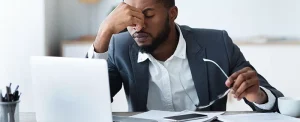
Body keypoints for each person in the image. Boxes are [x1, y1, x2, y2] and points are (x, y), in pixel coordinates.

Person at [86, 0, 283, 112]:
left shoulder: (217, 44)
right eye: (131, 16)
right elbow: (87, 103)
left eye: (148, 15)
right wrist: (104, 31)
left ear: (172, 13)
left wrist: (259, 96)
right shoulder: (118, 47)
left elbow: (279, 107)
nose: (138, 26)